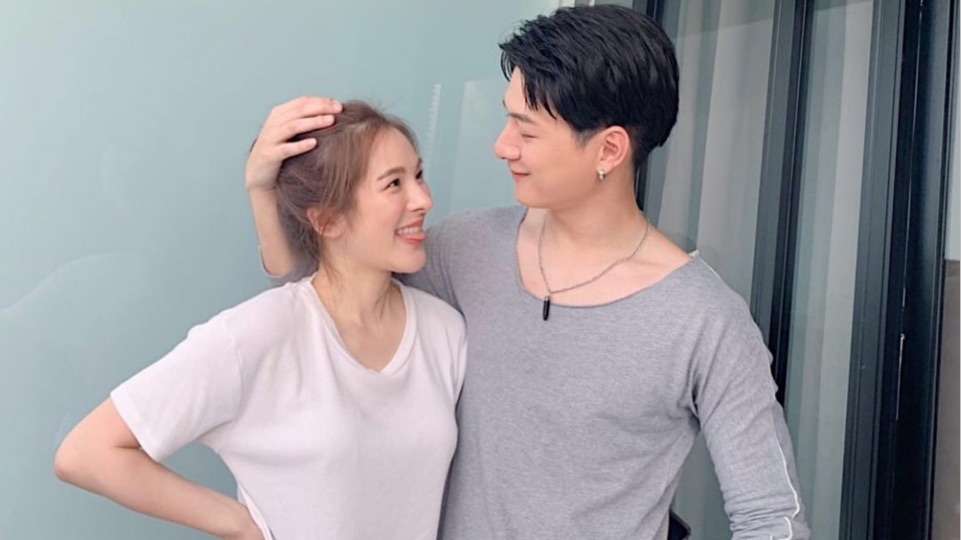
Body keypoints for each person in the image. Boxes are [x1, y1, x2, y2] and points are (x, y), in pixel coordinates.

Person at [250, 6, 809, 539]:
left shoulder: (704, 320)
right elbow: (322, 308)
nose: (502, 146)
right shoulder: (464, 250)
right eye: (507, 118)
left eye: (527, 130)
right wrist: (261, 189)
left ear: (609, 150)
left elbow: (772, 518)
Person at [54, 102, 467, 540]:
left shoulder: (444, 332)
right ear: (327, 220)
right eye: (394, 184)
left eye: (418, 175)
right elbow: (86, 452)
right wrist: (240, 525)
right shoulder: (257, 335)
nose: (424, 200)